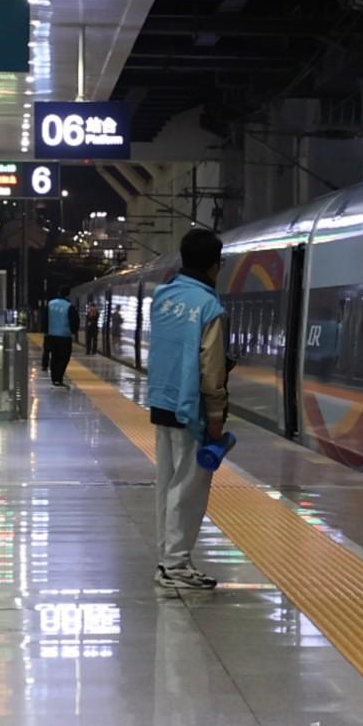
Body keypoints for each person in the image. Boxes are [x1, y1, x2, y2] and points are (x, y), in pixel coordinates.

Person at [147, 230, 229, 592]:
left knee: (167, 484)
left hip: (162, 402)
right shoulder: (209, 307)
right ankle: (176, 564)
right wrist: (216, 416)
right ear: (214, 265)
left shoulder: (162, 296)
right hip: (190, 406)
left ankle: (167, 559)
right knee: (187, 489)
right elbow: (211, 371)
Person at [42, 290, 75, 387]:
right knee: (64, 358)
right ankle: (59, 377)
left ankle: (54, 378)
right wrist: (73, 331)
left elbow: (44, 319)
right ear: (68, 295)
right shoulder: (69, 306)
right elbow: (74, 321)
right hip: (65, 337)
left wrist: (46, 331)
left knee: (54, 357)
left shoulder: (50, 304)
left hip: (51, 336)